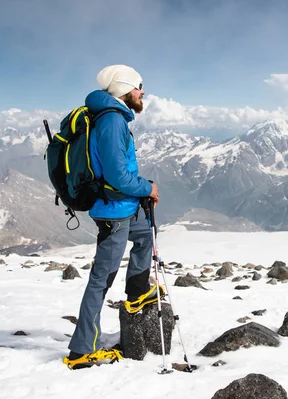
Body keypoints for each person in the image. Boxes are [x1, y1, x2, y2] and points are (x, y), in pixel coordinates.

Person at [64, 65, 162, 370]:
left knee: (146, 235)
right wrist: (148, 187)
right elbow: (118, 175)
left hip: (124, 206)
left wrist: (140, 190)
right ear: (124, 89)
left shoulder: (111, 117)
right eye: (138, 86)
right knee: (100, 279)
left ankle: (137, 292)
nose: (142, 91)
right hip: (114, 211)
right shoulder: (111, 121)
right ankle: (81, 350)